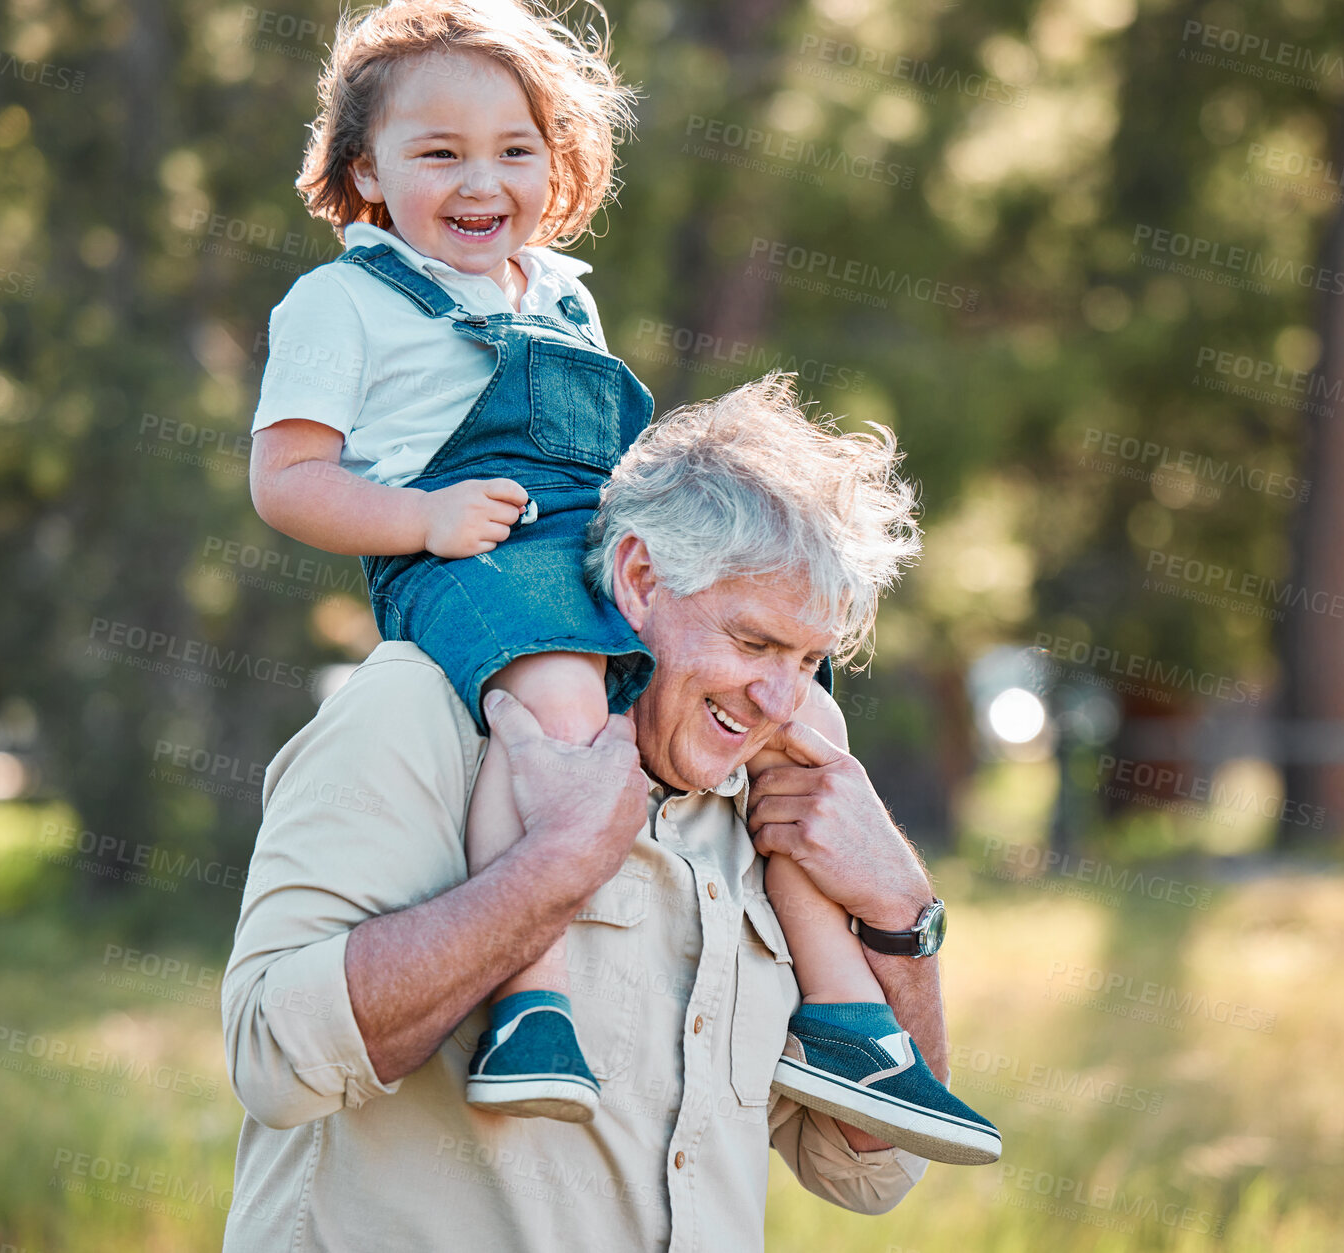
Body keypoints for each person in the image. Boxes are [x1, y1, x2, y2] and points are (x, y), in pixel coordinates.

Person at [245, 0, 996, 1156]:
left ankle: (848, 1015)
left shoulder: (560, 294)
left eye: (515, 149)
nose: (479, 178)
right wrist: (422, 516)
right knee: (555, 701)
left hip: (590, 548)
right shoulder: (344, 303)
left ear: (559, 164)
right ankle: (531, 1005)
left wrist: (904, 907)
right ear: (365, 170)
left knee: (818, 740)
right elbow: (287, 477)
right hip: (468, 556)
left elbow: (868, 1183)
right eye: (438, 151)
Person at [221, 377, 997, 1251]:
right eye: (753, 642)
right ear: (637, 577)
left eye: (812, 657)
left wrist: (901, 915)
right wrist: (553, 870)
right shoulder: (423, 710)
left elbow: (869, 1166)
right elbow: (272, 1060)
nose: (782, 697)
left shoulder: (771, 799)